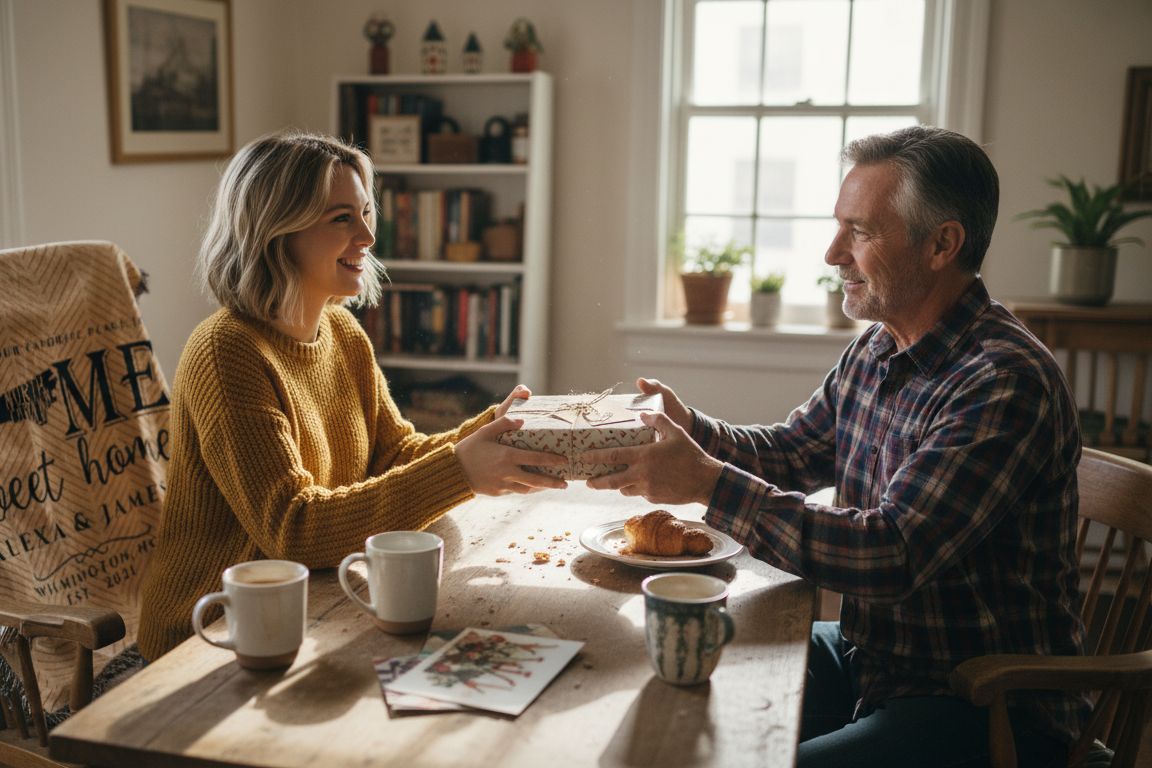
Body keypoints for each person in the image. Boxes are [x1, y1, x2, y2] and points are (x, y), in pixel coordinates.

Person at [584, 126, 1086, 768]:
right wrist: (693, 431)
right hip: (874, 659)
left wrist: (707, 482)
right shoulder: (881, 345)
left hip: (984, 703)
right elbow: (795, 451)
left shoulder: (1002, 380)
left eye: (861, 232)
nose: (831, 253)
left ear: (942, 244)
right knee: (668, 671)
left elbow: (890, 553)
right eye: (837, 226)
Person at [137, 131, 567, 660]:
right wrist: (461, 470)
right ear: (276, 230)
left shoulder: (341, 333)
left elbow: (394, 455)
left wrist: (489, 434)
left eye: (366, 213)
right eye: (342, 218)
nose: (366, 235)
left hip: (315, 608)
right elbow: (292, 528)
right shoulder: (227, 353)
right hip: (216, 635)